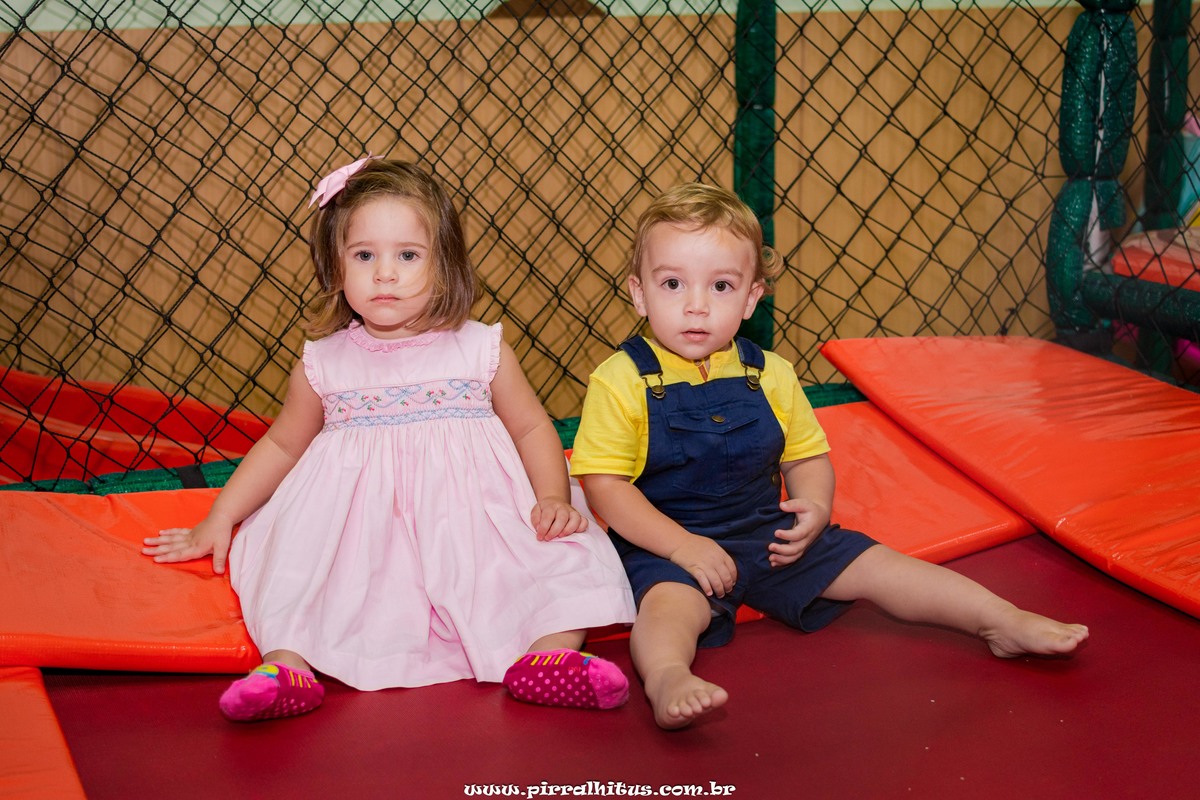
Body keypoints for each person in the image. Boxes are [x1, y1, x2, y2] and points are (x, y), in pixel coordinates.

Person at [569, 182, 1089, 730]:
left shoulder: (769, 373)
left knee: (878, 565)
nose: (696, 304)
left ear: (750, 298)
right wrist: (683, 547)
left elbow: (806, 457)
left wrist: (815, 505)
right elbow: (606, 486)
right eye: (673, 283)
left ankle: (999, 619)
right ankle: (669, 676)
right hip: (668, 543)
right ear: (639, 293)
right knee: (669, 609)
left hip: (764, 531)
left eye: (721, 286)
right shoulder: (621, 380)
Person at [143, 157, 635, 721]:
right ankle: (286, 667)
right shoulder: (324, 363)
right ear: (336, 267)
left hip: (472, 520)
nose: (385, 273)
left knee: (559, 559)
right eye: (364, 255)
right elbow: (281, 446)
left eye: (407, 255)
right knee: (295, 569)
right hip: (361, 527)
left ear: (443, 265)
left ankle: (548, 660)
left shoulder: (479, 348)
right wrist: (220, 516)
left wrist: (551, 495)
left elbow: (530, 426)